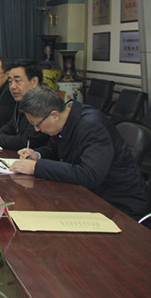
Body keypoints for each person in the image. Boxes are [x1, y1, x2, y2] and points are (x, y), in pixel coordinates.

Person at [12, 86, 151, 222]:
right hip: (89, 196)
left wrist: (36, 167)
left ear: (54, 115)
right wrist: (37, 155)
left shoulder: (93, 126)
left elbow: (90, 175)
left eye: (37, 124)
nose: (36, 130)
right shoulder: (65, 119)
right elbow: (54, 149)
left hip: (119, 207)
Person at [0, 59, 49, 150]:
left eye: (17, 81)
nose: (12, 86)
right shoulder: (22, 101)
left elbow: (27, 142)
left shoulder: (43, 104)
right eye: (10, 82)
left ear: (34, 81)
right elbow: (12, 126)